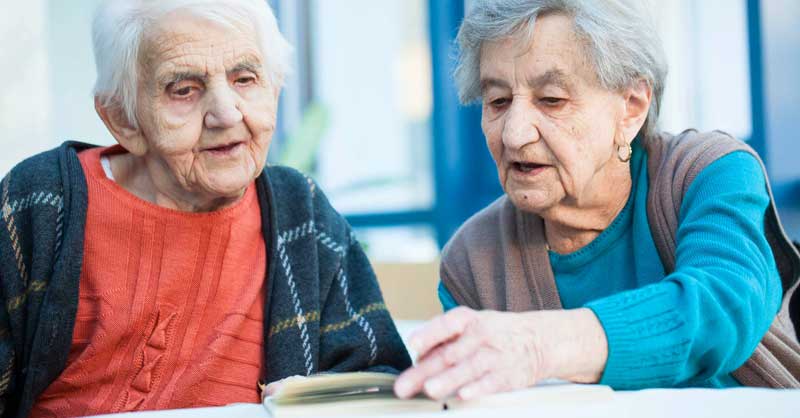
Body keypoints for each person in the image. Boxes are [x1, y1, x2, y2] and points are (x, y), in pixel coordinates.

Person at [0, 1, 410, 416]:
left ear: (275, 89)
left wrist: (314, 398)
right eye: (184, 89)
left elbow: (381, 381)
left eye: (245, 79)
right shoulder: (41, 203)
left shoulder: (302, 215)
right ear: (124, 119)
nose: (226, 114)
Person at [394, 0, 800, 401]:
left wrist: (539, 346)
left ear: (632, 107)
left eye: (551, 100)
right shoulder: (472, 259)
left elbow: (723, 305)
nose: (514, 134)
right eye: (498, 101)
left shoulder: (706, 174)